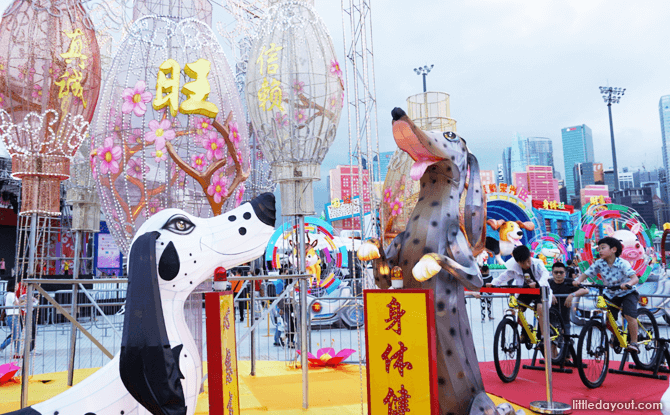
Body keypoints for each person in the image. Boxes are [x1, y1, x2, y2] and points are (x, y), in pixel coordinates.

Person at [573, 236, 640, 353]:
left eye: (603, 248)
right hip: (610, 294)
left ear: (613, 249)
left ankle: (634, 342)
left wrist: (628, 284)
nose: (600, 251)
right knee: (608, 319)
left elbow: (635, 278)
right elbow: (587, 273)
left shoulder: (622, 263)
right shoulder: (599, 263)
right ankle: (616, 335)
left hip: (627, 292)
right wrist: (578, 281)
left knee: (629, 316)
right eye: (599, 249)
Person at [487, 245, 554, 339]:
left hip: (541, 290)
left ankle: (544, 336)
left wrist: (538, 283)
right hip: (526, 291)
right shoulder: (514, 267)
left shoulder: (537, 263)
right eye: (523, 263)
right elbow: (503, 276)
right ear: (517, 262)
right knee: (518, 308)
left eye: (528, 261)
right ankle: (525, 330)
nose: (527, 265)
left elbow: (545, 273)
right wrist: (493, 283)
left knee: (540, 308)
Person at [549, 262, 588, 331]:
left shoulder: (569, 282)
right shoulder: (548, 283)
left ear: (565, 273)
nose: (558, 274)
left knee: (566, 339)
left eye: (561, 272)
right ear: (552, 273)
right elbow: (539, 289)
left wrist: (572, 295)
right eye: (556, 272)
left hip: (565, 320)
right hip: (550, 320)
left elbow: (585, 290)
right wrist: (549, 294)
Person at [0, 278, 22, 358]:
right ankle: (1, 347)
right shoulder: (11, 295)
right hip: (13, 317)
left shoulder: (10, 294)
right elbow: (17, 304)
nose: (17, 286)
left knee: (17, 335)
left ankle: (17, 353)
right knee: (16, 336)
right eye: (16, 284)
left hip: (13, 316)